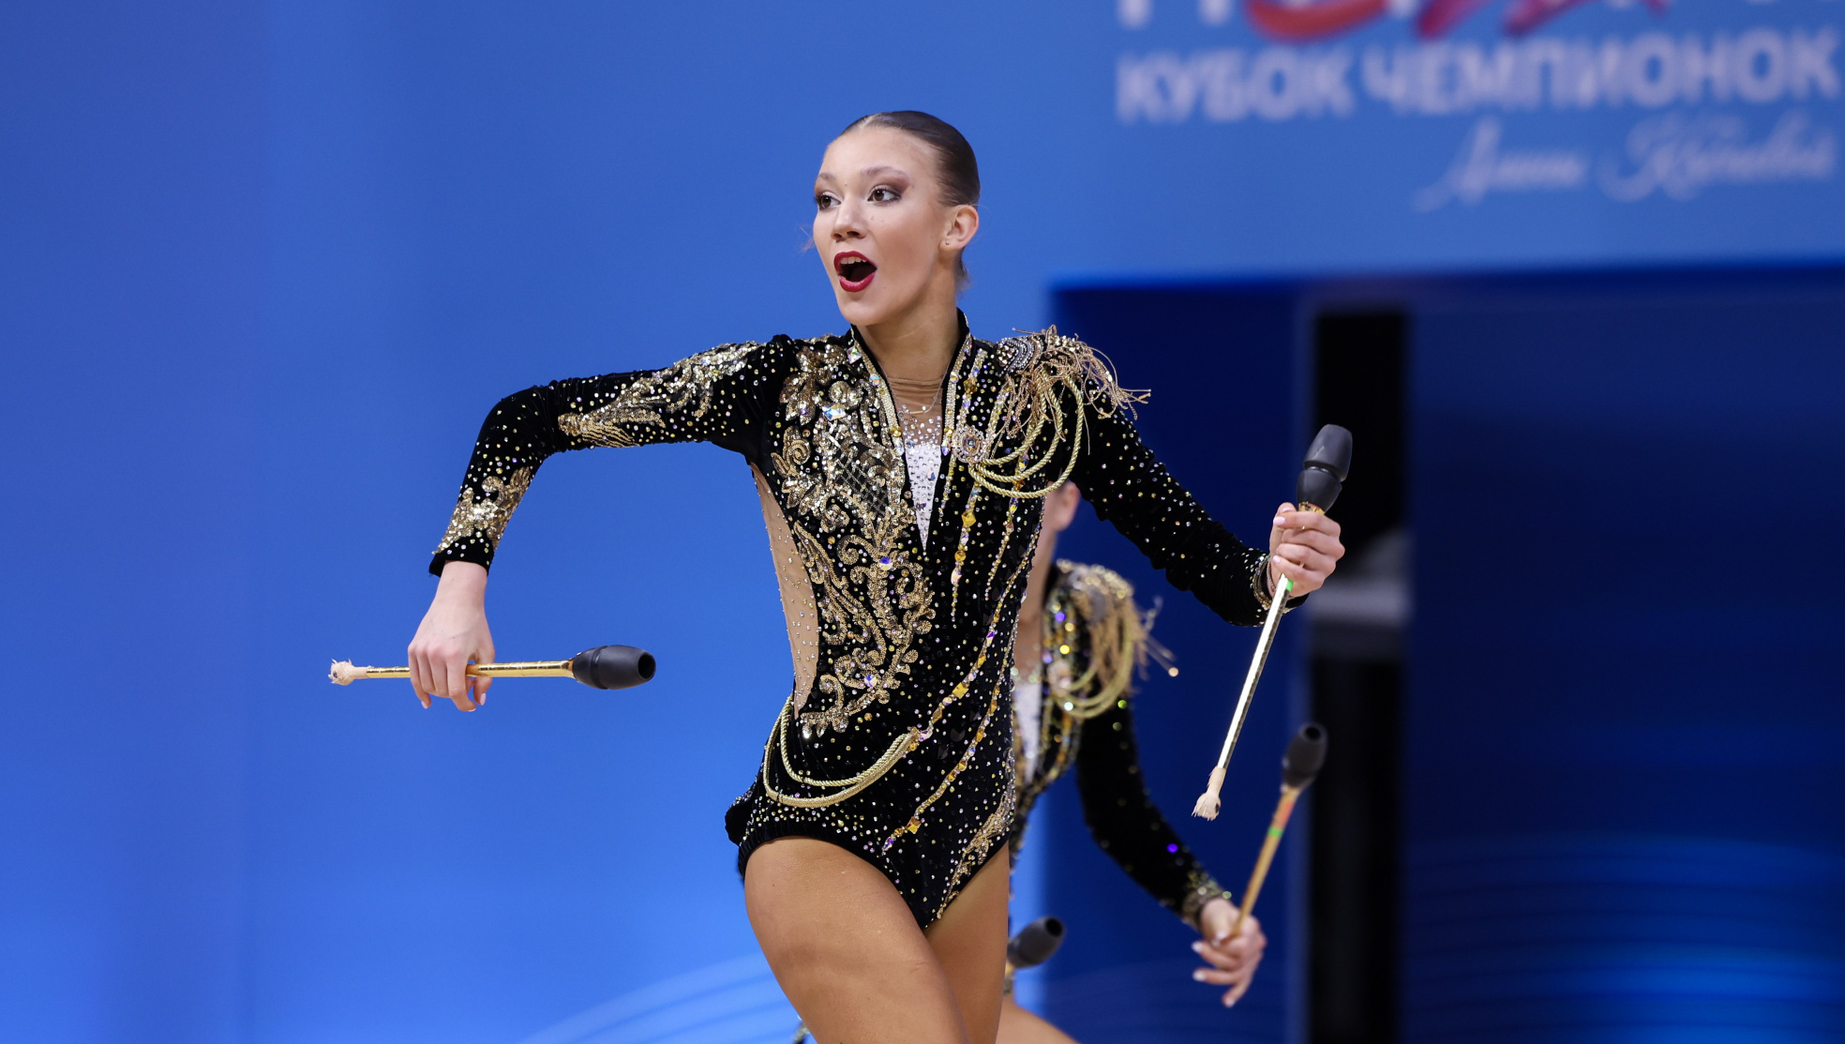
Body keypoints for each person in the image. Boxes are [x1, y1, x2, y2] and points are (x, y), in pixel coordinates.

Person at [406, 111, 1345, 1044]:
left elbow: (1234, 585)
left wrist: (1290, 569)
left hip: (972, 841)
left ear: (956, 226)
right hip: (823, 816)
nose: (842, 221)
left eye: (880, 194)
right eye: (826, 201)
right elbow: (526, 419)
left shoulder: (1045, 404)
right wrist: (460, 588)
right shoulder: (775, 387)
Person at [998, 481, 1266, 1044]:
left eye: (1025, 488)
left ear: (1066, 503)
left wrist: (1208, 907)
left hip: (982, 942)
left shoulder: (1087, 616)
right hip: (881, 913)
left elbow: (1118, 809)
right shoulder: (931, 618)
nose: (1004, 510)